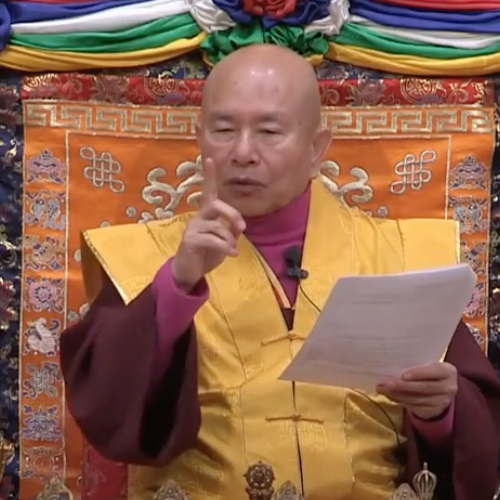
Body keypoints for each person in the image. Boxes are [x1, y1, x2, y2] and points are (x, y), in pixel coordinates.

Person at [60, 44, 500, 500]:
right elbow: (107, 412)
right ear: (200, 137)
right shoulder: (146, 257)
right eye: (223, 130)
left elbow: (478, 432)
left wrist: (439, 413)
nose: (243, 152)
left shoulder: (399, 256)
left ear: (316, 148)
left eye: (269, 131)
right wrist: (176, 285)